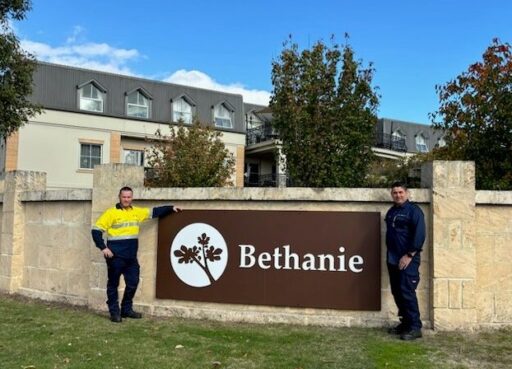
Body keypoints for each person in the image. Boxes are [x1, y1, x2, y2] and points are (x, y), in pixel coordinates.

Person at [91, 186, 181, 323]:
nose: (126, 199)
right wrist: (103, 248)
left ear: (131, 198)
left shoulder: (136, 212)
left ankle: (126, 309)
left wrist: (171, 208)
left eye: (129, 197)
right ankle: (114, 312)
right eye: (124, 197)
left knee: (133, 283)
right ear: (119, 197)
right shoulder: (111, 213)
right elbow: (96, 231)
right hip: (115, 257)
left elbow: (153, 212)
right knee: (113, 285)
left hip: (131, 258)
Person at [385, 181, 425, 340]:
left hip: (408, 259)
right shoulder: (391, 211)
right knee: (397, 292)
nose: (398, 195)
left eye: (400, 192)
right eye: (395, 192)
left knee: (407, 292)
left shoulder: (414, 211)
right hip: (393, 258)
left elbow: (420, 235)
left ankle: (415, 327)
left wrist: (409, 255)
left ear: (407, 193)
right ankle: (405, 323)